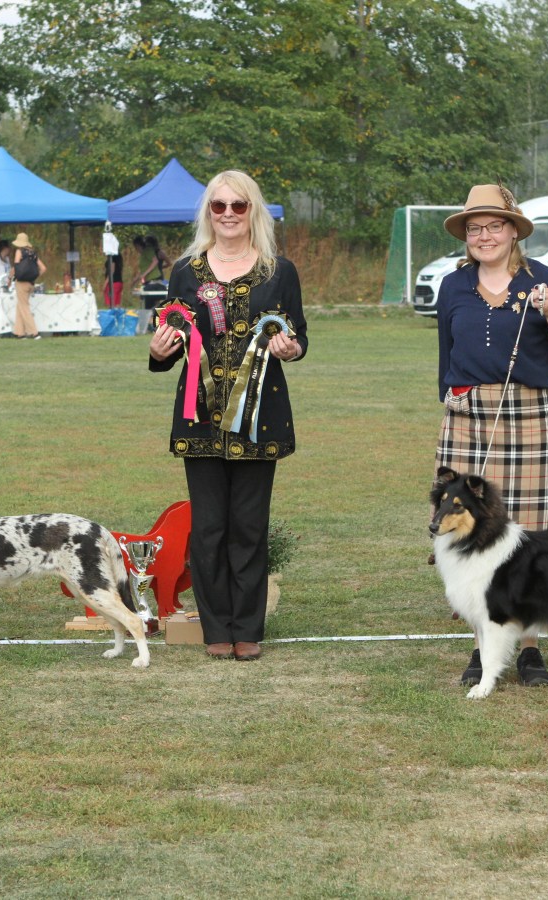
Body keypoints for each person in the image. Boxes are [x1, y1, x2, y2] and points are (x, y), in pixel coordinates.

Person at [435, 183, 548, 687]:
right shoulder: (452, 286)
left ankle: (529, 648)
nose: (484, 235)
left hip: (529, 414)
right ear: (466, 235)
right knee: (472, 534)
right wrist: (452, 403)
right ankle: (481, 649)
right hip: (467, 416)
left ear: (513, 231)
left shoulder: (546, 282)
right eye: (475, 228)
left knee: (531, 536)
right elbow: (445, 360)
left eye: (494, 226)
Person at [148, 170, 307, 662]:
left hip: (261, 417)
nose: (229, 215)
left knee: (249, 526)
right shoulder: (185, 271)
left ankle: (248, 629)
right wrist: (157, 351)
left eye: (239, 206)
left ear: (253, 211)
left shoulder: (281, 271)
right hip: (199, 416)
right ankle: (216, 627)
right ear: (208, 213)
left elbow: (299, 337)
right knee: (209, 527)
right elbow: (171, 345)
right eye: (219, 206)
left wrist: (290, 347)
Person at [10, 232, 47, 339]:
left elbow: (16, 267)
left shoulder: (19, 251)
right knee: (20, 306)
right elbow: (43, 268)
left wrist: (9, 277)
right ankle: (20, 333)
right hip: (30, 284)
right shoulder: (33, 253)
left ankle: (34, 333)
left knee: (24, 307)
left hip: (21, 283)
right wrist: (34, 277)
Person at [102, 223, 123, 308]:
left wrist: (105, 283)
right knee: (117, 303)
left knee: (111, 303)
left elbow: (112, 271)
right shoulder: (119, 256)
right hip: (119, 282)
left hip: (113, 283)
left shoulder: (112, 257)